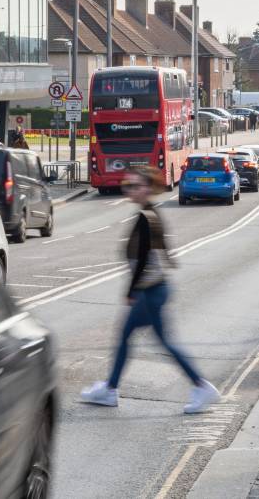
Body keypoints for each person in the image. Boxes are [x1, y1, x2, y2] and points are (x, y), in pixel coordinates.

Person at [80, 166, 219, 413]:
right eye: (128, 185)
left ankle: (201, 386)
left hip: (151, 290)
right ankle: (110, 389)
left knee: (162, 341)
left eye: (135, 186)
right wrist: (167, 258)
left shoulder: (146, 217)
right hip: (153, 289)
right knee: (127, 336)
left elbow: (143, 258)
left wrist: (131, 291)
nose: (130, 190)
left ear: (147, 188)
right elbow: (160, 243)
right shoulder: (149, 212)